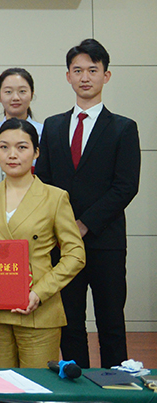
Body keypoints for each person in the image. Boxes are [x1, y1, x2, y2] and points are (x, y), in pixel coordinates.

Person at [35, 39, 140, 370]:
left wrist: (84, 224)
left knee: (111, 322)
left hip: (106, 241)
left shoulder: (124, 128)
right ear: (68, 76)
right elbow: (44, 183)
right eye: (77, 70)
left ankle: (116, 387)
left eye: (92, 70)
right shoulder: (52, 126)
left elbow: (126, 186)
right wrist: (64, 228)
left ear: (106, 76)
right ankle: (76, 388)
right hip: (62, 244)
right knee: (70, 324)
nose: (85, 77)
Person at [0, 119, 86, 368]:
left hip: (38, 309)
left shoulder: (55, 197)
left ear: (36, 152)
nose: (12, 155)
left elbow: (75, 254)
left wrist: (40, 292)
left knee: (37, 386)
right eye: (4, 147)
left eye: (22, 147)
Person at [0, 68, 41, 139]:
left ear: (32, 95)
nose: (15, 98)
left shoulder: (44, 133)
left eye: (22, 91)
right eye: (8, 92)